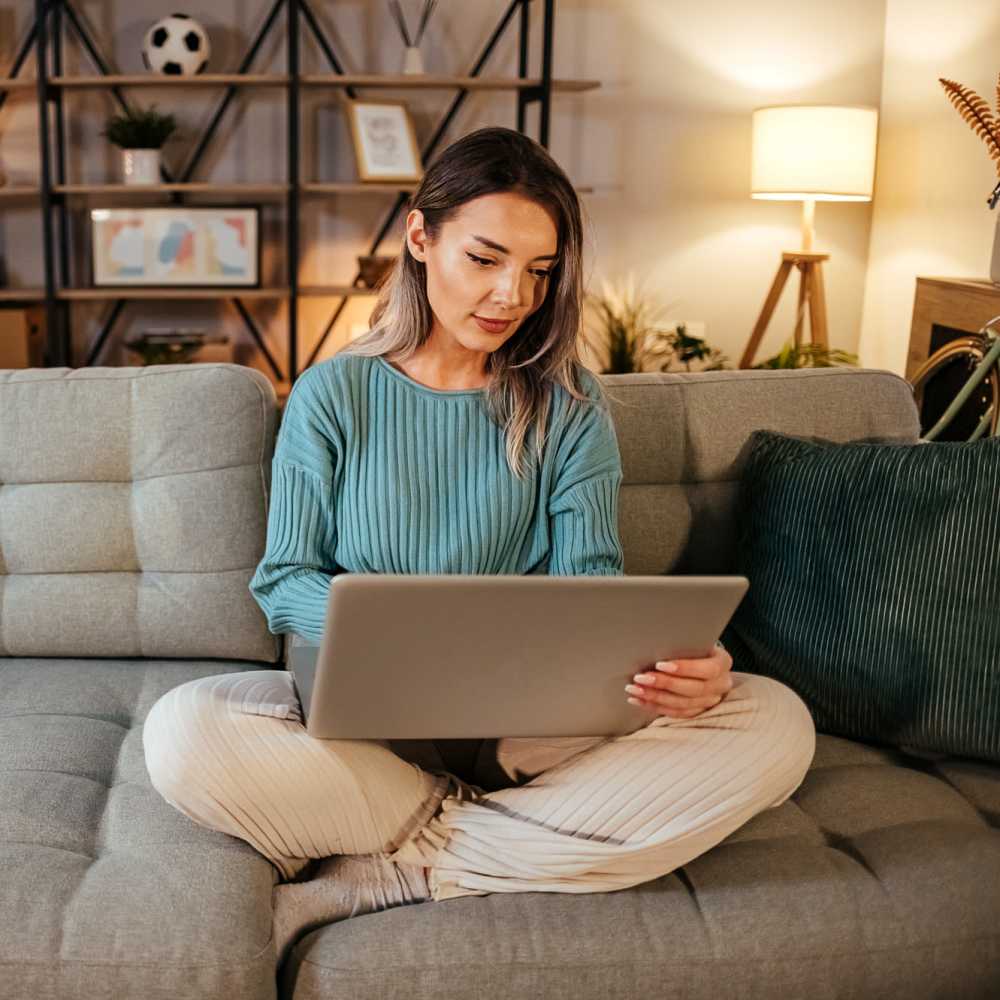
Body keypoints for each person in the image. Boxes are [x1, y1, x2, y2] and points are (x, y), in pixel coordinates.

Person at [141, 126, 816, 964]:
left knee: (775, 723)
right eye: (485, 259)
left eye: (538, 272)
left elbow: (590, 591)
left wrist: (683, 668)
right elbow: (284, 580)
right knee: (182, 730)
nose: (511, 296)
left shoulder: (568, 406)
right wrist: (386, 628)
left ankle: (397, 866)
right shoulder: (334, 393)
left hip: (537, 739)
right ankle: (506, 839)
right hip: (368, 738)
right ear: (421, 239)